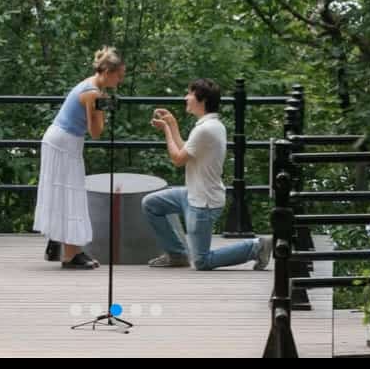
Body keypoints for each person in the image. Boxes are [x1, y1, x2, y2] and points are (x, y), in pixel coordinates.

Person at [142, 78, 272, 271]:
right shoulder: (211, 126)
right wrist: (173, 124)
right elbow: (187, 149)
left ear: (201, 100)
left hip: (203, 203)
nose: (186, 97)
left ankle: (256, 247)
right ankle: (177, 255)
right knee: (151, 204)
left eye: (190, 94)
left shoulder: (205, 129)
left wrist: (167, 131)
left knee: (202, 261)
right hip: (192, 194)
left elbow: (178, 159)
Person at [34, 46, 126, 269]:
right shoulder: (93, 92)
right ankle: (71, 254)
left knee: (68, 192)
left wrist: (102, 105)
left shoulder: (93, 86)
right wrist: (104, 108)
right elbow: (96, 133)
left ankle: (63, 246)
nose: (121, 80)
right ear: (106, 71)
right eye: (119, 75)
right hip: (63, 143)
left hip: (65, 140)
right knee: (70, 193)